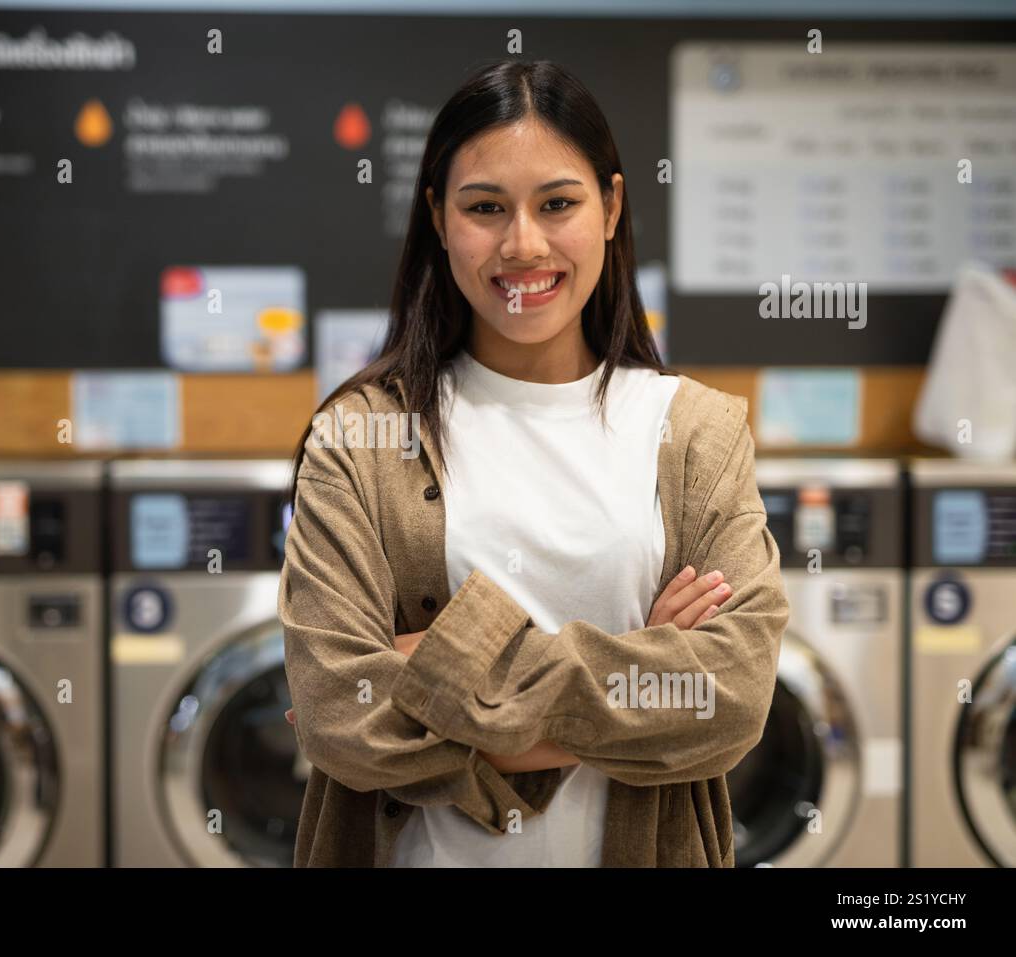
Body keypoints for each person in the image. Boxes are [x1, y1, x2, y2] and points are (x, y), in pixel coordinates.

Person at [279, 59, 788, 867]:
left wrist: (433, 665)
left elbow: (731, 694)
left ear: (612, 207)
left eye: (558, 204)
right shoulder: (360, 438)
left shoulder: (694, 433)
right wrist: (643, 659)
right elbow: (342, 711)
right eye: (485, 208)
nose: (523, 244)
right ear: (439, 219)